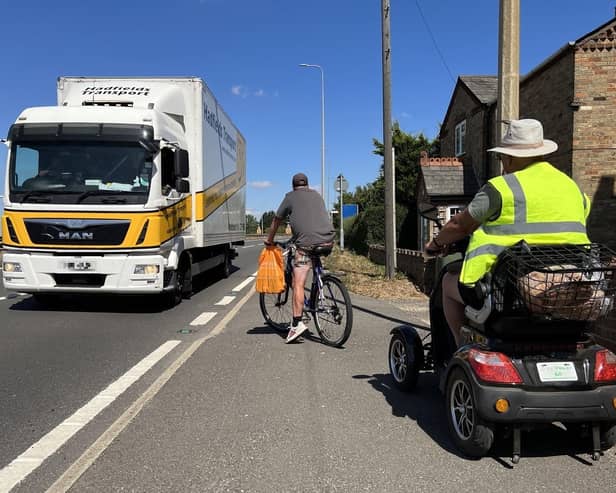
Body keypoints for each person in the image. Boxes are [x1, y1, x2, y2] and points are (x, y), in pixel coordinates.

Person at [425, 119, 590, 346]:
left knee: (447, 282)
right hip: (567, 277)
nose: (502, 163)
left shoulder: (502, 188)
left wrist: (435, 244)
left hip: (508, 288)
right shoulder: (572, 188)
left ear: (511, 157)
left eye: (502, 157)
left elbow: (460, 226)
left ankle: (459, 346)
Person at [265, 172, 335, 343]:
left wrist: (270, 240)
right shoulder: (317, 195)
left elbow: (276, 219)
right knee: (315, 263)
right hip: (328, 241)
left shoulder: (290, 197)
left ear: (293, 186)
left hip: (306, 245)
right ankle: (320, 281)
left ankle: (296, 324)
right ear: (308, 185)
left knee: (298, 283)